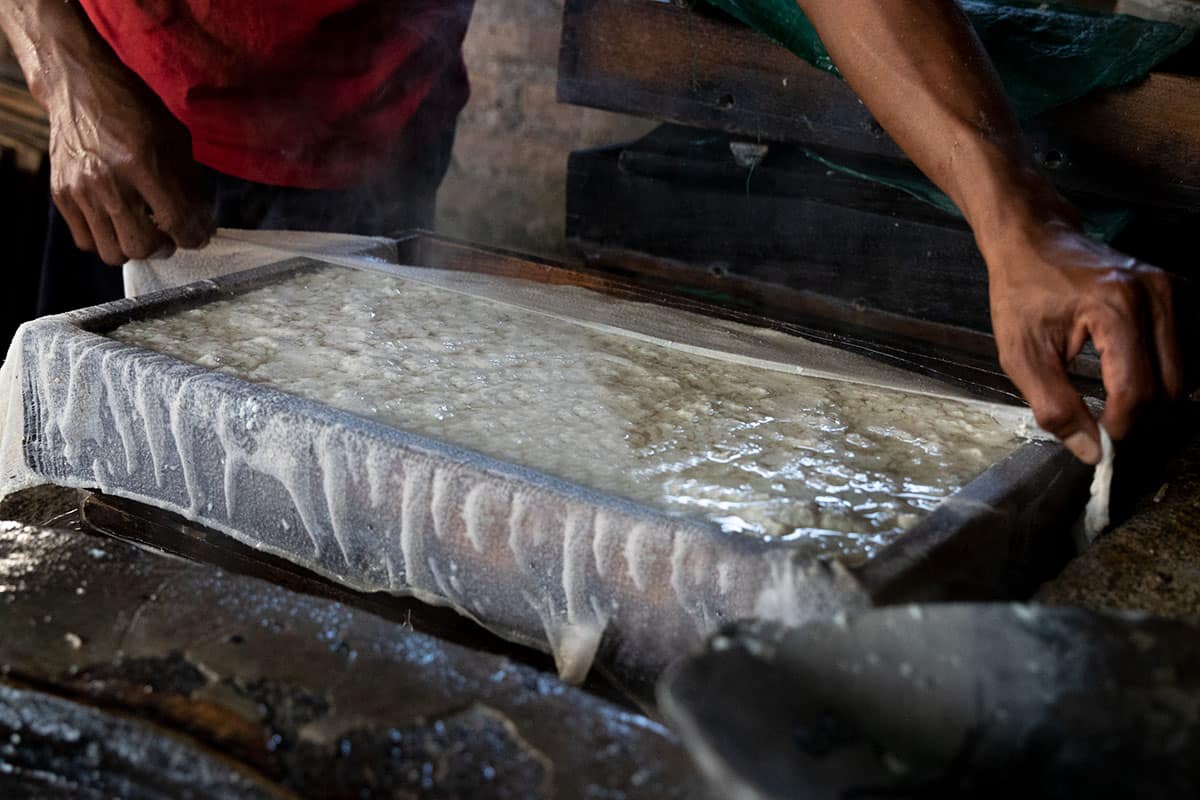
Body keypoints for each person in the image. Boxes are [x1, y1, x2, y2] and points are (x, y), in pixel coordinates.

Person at [0, 0, 1179, 466]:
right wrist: (67, 75)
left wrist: (1017, 222)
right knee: (104, 456)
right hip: (128, 109)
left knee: (314, 461)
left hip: (375, 120)